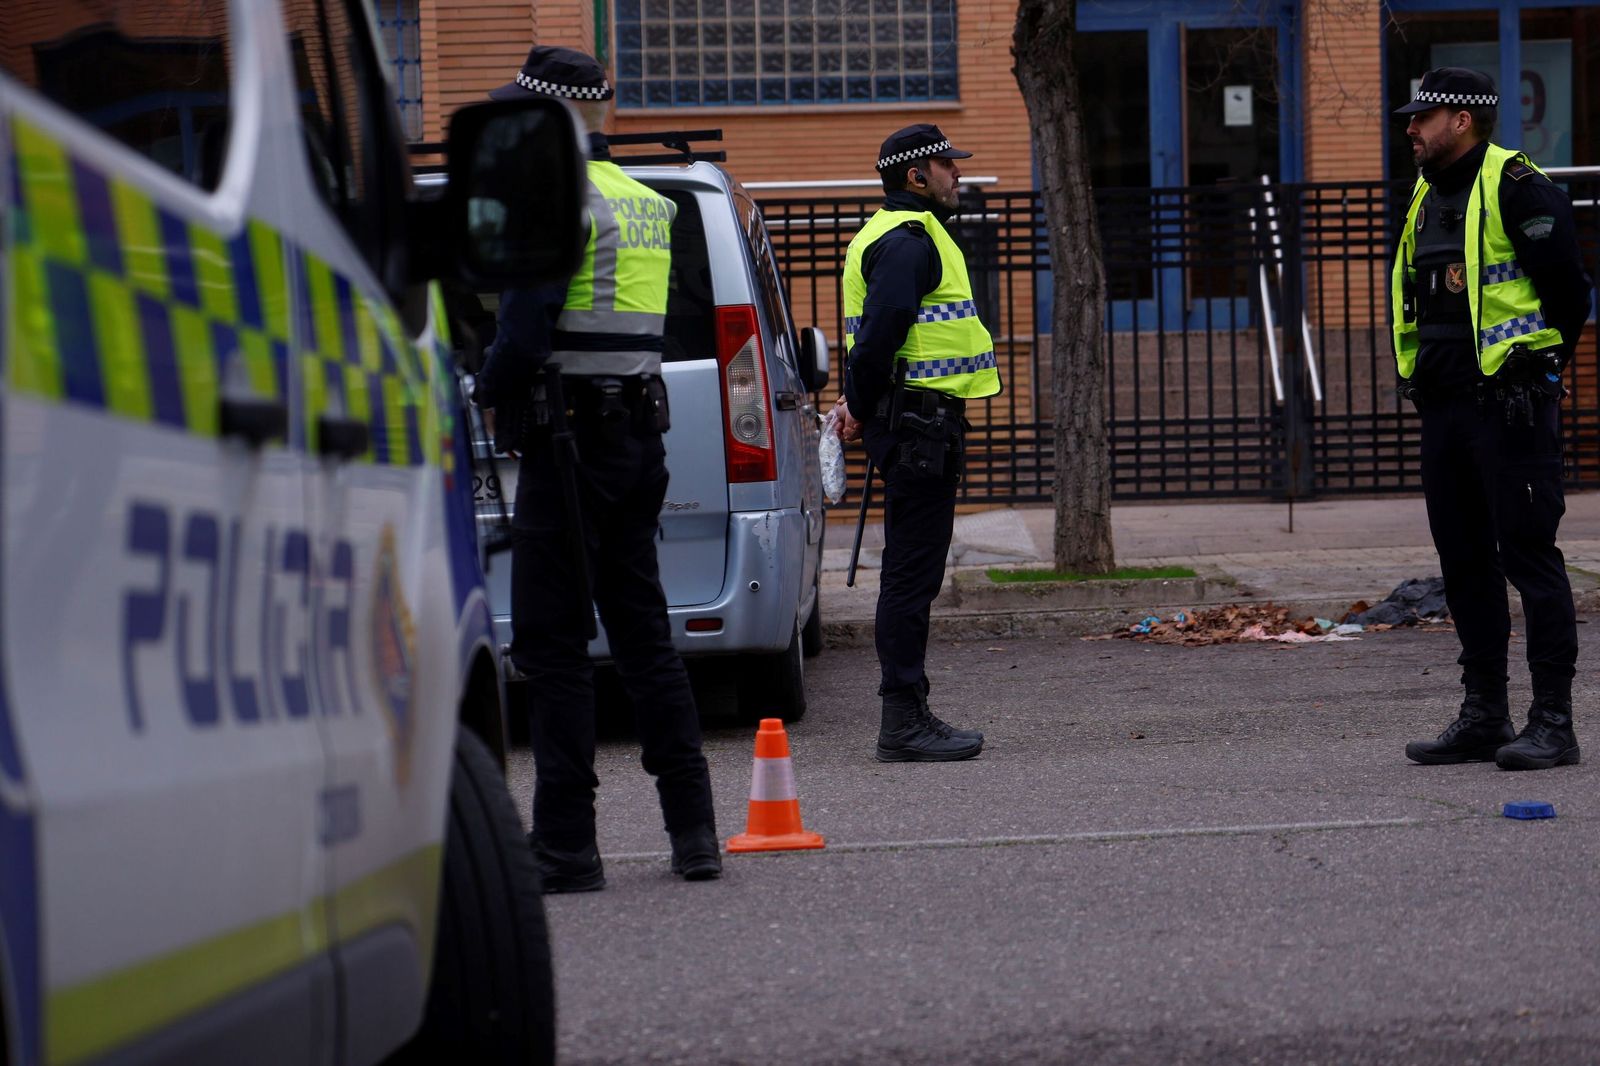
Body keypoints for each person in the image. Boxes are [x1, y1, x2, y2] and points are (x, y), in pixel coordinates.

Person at [475, 46, 721, 889]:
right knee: (646, 637)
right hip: (636, 441)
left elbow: (526, 329)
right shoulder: (645, 201)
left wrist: (486, 388)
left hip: (568, 446)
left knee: (552, 647)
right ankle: (695, 836)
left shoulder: (557, 196)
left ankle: (568, 850)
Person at [1391, 68, 1591, 770]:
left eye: (1423, 116)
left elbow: (1569, 294)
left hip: (1511, 410)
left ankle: (1553, 723)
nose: (1410, 126)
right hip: (1445, 410)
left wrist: (1540, 370)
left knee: (1529, 559)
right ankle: (1484, 715)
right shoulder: (1426, 194)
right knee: (1465, 564)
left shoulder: (1517, 187)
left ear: (1463, 120)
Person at [833, 124, 1002, 762]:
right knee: (910, 576)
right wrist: (855, 402)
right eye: (946, 166)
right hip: (917, 427)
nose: (956, 174)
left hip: (916, 423)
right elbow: (879, 337)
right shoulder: (906, 243)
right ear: (915, 176)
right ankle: (902, 719)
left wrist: (858, 404)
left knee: (913, 572)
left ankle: (909, 712)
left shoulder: (912, 236)